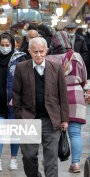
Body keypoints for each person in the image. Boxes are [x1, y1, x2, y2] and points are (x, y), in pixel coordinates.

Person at [12, 37, 69, 177]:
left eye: (41, 51)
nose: (38, 55)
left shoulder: (56, 68)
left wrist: (64, 119)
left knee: (51, 159)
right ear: (29, 52)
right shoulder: (21, 68)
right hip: (28, 119)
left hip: (51, 120)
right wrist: (20, 116)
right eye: (35, 51)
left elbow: (63, 95)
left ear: (47, 51)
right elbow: (16, 94)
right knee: (28, 156)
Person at [47, 31, 87, 173]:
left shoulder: (49, 59)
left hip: (56, 98)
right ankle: (75, 164)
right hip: (76, 96)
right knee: (75, 133)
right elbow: (84, 79)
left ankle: (52, 166)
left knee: (53, 135)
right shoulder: (76, 56)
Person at [0, 32, 26, 171]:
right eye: (2, 45)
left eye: (7, 45)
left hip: (13, 100)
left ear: (12, 45)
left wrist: (18, 97)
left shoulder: (20, 58)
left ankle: (13, 159)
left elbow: (25, 81)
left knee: (14, 132)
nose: (4, 48)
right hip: (0, 101)